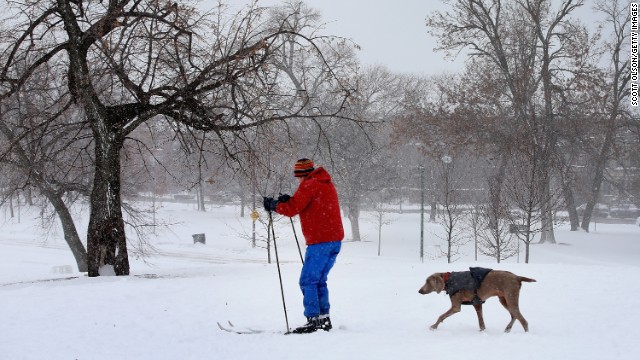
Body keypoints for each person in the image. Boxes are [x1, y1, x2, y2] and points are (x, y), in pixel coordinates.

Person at [263, 158, 344, 334]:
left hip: (319, 242)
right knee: (319, 281)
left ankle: (313, 319)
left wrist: (275, 205)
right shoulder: (326, 183)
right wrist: (288, 200)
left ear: (304, 174)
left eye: (298, 176)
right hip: (334, 240)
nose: (298, 180)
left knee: (307, 281)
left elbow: (293, 209)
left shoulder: (310, 184)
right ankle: (323, 319)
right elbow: (305, 203)